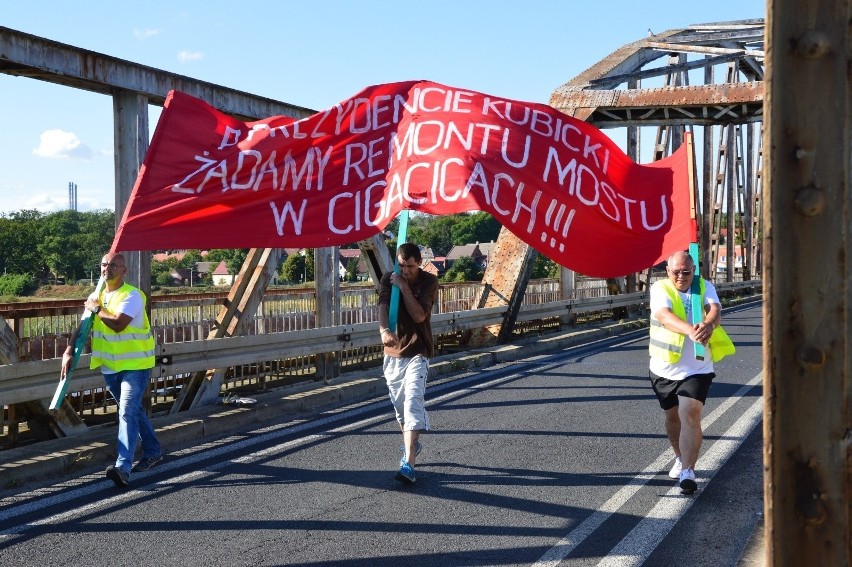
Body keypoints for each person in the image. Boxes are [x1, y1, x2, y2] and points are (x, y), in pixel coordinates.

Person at [61, 252, 162, 488]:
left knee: (126, 412)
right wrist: (68, 350)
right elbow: (83, 327)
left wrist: (97, 309)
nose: (108, 268)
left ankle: (122, 468)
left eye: (114, 265)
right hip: (110, 366)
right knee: (133, 411)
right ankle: (153, 451)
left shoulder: (133, 295)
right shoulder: (95, 297)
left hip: (135, 365)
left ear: (124, 271)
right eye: (105, 265)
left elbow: (118, 324)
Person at [648, 250, 735, 494]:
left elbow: (715, 309)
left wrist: (708, 324)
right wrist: (690, 330)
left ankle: (688, 471)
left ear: (693, 270)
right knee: (673, 418)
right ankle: (679, 456)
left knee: (691, 413)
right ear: (668, 271)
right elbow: (664, 316)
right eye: (676, 272)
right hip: (664, 367)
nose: (681, 277)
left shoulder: (704, 286)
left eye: (687, 272)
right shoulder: (660, 289)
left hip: (698, 367)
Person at [377, 243, 439, 485]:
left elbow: (419, 316)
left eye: (410, 267)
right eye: (401, 266)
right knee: (400, 409)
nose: (405, 271)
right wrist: (383, 331)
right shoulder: (388, 278)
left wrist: (403, 288)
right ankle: (412, 444)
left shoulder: (428, 282)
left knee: (413, 402)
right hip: (393, 353)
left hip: (418, 351)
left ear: (419, 262)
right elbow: (383, 305)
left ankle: (409, 463)